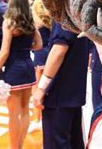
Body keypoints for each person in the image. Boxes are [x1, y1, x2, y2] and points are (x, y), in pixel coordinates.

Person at [0, 0, 42, 149]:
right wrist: (26, 47)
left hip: (14, 69)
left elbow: (4, 51)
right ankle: (18, 146)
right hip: (28, 67)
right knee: (25, 109)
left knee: (13, 113)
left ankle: (14, 147)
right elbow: (39, 45)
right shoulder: (31, 22)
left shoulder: (9, 22)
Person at [33, 21, 90, 149]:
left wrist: (41, 87)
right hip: (74, 90)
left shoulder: (64, 14)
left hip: (59, 92)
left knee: (56, 142)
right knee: (74, 140)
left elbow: (59, 49)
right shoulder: (79, 13)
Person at [29, 0, 53, 133]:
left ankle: (36, 120)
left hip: (40, 57)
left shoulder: (35, 21)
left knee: (37, 91)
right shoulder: (55, 19)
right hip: (52, 55)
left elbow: (33, 42)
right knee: (49, 89)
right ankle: (44, 120)